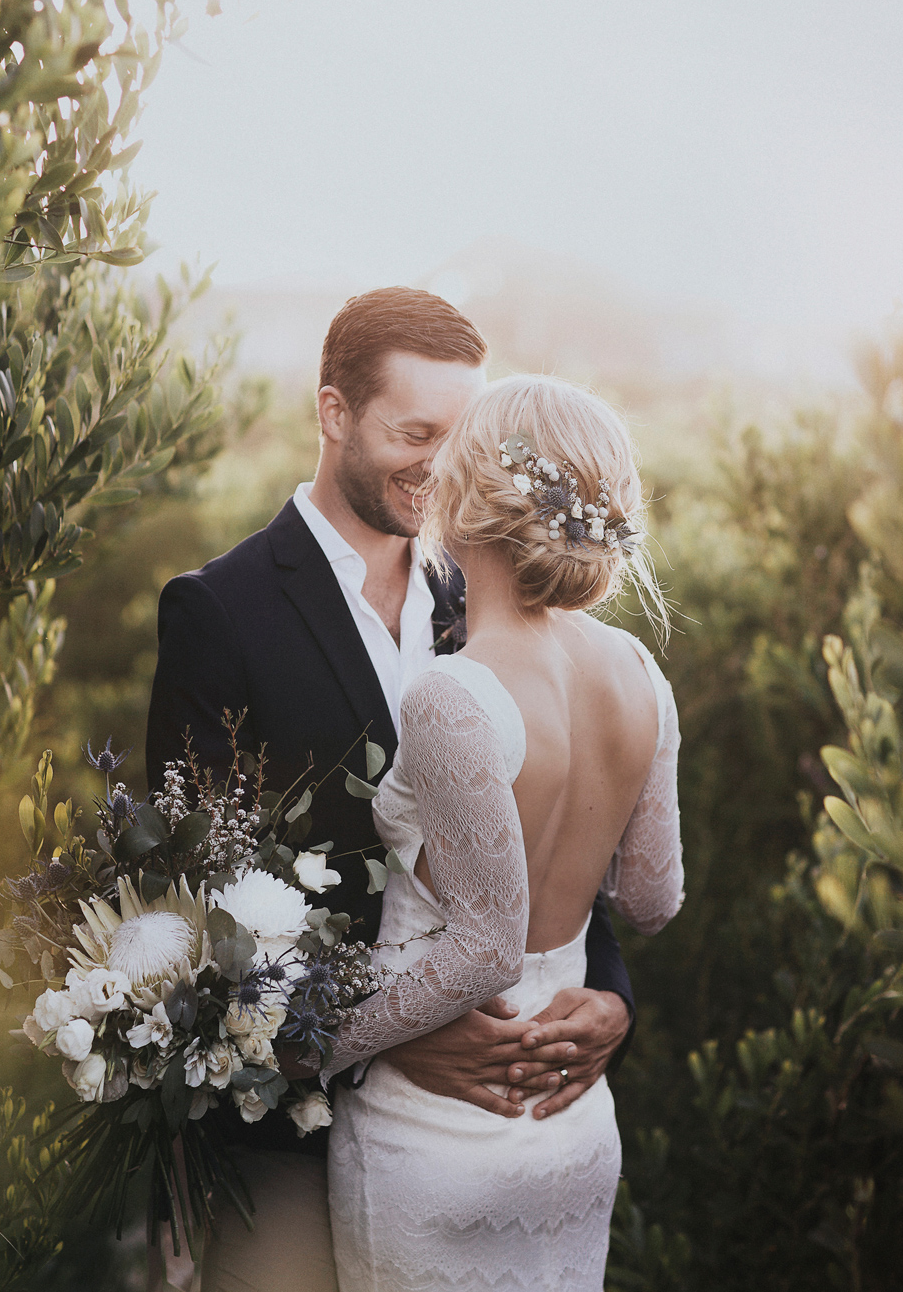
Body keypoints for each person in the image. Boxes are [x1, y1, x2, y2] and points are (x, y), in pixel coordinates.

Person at [146, 288, 637, 1291]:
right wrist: (384, 1050)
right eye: (414, 434)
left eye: (462, 438)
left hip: (489, 1133)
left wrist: (610, 999)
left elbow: (554, 825)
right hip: (289, 1136)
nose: (444, 467)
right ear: (333, 414)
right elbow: (196, 905)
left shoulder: (495, 598)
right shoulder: (218, 613)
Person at [322, 373, 683, 1291]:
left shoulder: (456, 693)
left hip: (438, 1136)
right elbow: (652, 899)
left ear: (467, 497)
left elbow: (484, 952)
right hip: (571, 1119)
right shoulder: (639, 671)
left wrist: (306, 1043)